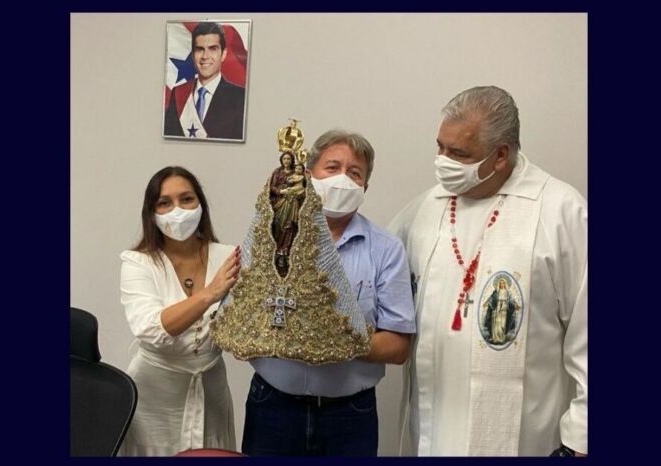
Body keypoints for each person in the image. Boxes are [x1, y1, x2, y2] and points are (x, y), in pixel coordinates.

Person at [389, 86, 587, 456]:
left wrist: (582, 435)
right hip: (432, 428)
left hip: (524, 438)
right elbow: (374, 274)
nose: (443, 162)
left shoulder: (560, 211)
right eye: (440, 148)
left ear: (500, 155)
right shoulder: (424, 209)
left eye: (459, 154)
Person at [241, 130, 417, 456]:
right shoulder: (269, 236)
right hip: (273, 408)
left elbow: (397, 346)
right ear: (308, 175)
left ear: (365, 187)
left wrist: (331, 340)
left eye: (354, 173)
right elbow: (244, 311)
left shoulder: (386, 249)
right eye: (332, 168)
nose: (343, 180)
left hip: (350, 416)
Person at [119, 166, 241, 456]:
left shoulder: (229, 257)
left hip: (211, 391)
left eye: (187, 199)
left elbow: (243, 322)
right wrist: (210, 293)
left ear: (201, 204)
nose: (178, 210)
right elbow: (150, 330)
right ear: (152, 213)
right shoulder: (138, 262)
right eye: (165, 202)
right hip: (154, 395)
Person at [164, 22, 245, 140]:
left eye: (213, 49)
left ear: (223, 54)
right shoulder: (178, 93)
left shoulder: (240, 97)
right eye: (200, 49)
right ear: (193, 55)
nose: (205, 56)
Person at [269, 153, 306, 275]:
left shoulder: (297, 172)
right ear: (281, 160)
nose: (286, 161)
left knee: (290, 227)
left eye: (288, 158)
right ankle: (278, 252)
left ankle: (286, 253)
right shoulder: (277, 172)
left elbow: (304, 188)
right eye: (284, 158)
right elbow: (272, 187)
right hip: (280, 204)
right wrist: (281, 191)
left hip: (293, 204)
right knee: (279, 226)